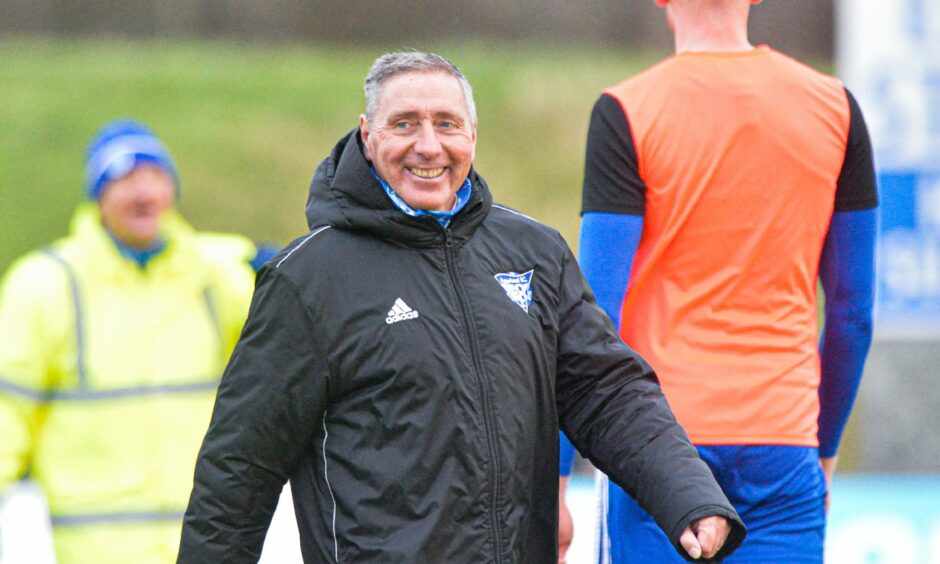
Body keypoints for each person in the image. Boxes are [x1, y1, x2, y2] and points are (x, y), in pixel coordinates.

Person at [178, 51, 746, 563]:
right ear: (367, 135)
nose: (428, 145)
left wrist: (688, 494)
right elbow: (239, 472)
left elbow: (609, 391)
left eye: (446, 124)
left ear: (472, 134)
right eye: (404, 124)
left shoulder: (535, 253)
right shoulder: (307, 278)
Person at [557, 1, 879, 562]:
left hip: (654, 445)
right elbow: (852, 314)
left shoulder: (628, 110)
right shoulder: (836, 108)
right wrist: (822, 453)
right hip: (782, 444)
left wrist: (556, 479)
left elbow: (591, 318)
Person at [0, 120, 271, 563]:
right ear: (99, 197)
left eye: (155, 177)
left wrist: (291, 273)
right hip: (99, 553)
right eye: (125, 180)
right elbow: (6, 413)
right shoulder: (46, 285)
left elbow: (296, 361)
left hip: (207, 546)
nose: (143, 194)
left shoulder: (219, 271)